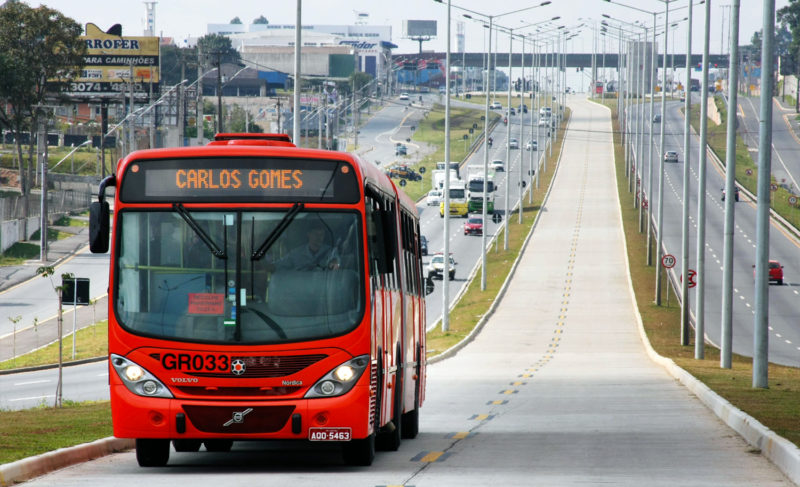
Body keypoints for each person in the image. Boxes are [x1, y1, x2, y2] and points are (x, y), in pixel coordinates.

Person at [272, 221, 340, 271]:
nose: (319, 237)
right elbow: (279, 265)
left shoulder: (331, 252)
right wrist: (266, 266)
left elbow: (337, 262)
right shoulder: (296, 254)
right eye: (315, 234)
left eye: (321, 235)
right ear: (308, 234)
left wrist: (334, 263)